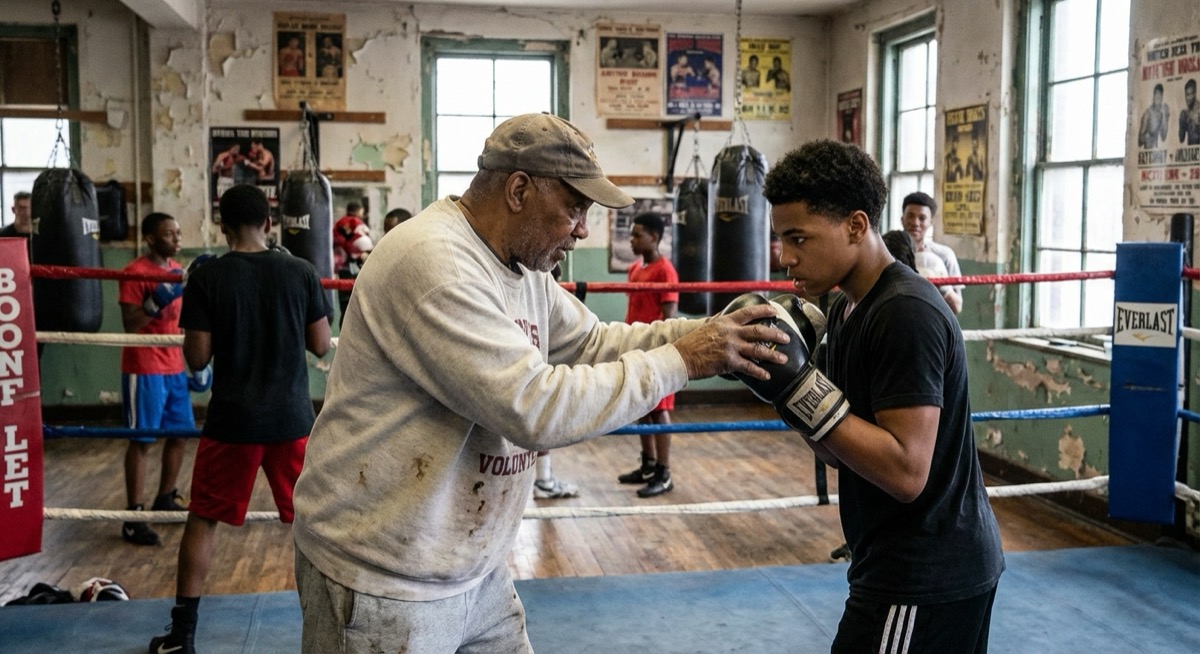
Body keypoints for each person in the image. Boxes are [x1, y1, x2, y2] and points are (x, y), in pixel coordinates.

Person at [290, 112, 790, 653]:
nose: (581, 231)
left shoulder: (523, 269)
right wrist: (683, 360)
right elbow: (534, 408)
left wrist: (711, 334)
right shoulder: (436, 264)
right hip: (384, 576)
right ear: (519, 189)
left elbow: (593, 342)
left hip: (472, 569)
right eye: (574, 209)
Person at [742, 139, 1004, 653]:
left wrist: (801, 388)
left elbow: (906, 472)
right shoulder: (846, 310)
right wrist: (784, 390)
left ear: (856, 226)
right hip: (896, 562)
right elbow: (839, 450)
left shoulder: (906, 312)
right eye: (779, 239)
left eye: (798, 238)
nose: (785, 256)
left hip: (924, 573)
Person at [147, 184, 332, 654]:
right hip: (292, 419)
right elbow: (321, 344)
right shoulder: (301, 270)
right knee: (312, 525)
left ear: (221, 226)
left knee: (203, 522)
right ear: (270, 222)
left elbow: (197, 358)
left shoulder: (209, 278)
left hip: (232, 420)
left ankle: (182, 636)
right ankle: (332, 632)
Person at [116, 212, 196, 546]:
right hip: (144, 365)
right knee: (143, 440)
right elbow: (130, 324)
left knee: (180, 435)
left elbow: (182, 320)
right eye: (168, 234)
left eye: (178, 233)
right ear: (150, 238)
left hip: (173, 365)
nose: (176, 239)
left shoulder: (178, 272)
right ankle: (134, 516)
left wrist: (196, 362)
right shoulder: (134, 272)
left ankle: (165, 495)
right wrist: (152, 302)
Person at [617, 212, 680, 497]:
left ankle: (664, 472)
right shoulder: (634, 270)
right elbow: (633, 312)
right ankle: (648, 464)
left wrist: (664, 353)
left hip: (658, 353)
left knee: (660, 410)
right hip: (636, 349)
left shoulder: (665, 271)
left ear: (653, 238)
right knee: (642, 408)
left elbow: (669, 318)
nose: (631, 240)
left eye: (636, 235)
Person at [901, 191, 964, 314]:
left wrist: (942, 286)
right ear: (902, 219)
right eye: (910, 216)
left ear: (931, 222)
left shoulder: (944, 255)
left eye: (922, 218)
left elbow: (957, 306)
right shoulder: (887, 252)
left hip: (932, 321)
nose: (915, 223)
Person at [332, 202, 374, 327]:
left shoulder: (340, 224)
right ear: (356, 211)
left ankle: (344, 336)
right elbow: (363, 245)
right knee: (353, 307)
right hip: (352, 269)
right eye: (361, 212)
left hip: (342, 269)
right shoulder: (353, 223)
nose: (363, 215)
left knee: (346, 306)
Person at [1139, 83, 1170, 149]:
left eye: (1160, 95)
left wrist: (1165, 116)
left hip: (1157, 152)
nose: (1158, 97)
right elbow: (1140, 140)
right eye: (1156, 94)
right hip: (1148, 151)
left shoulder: (1162, 112)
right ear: (1153, 96)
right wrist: (1148, 135)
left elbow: (1163, 137)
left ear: (1162, 97)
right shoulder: (1148, 113)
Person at [1180, 78, 1200, 145]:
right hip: (1191, 152)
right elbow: (1181, 139)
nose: (1188, 98)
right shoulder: (1185, 113)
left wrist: (1197, 122)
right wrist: (1181, 124)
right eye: (1186, 94)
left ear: (1195, 94)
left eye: (1190, 94)